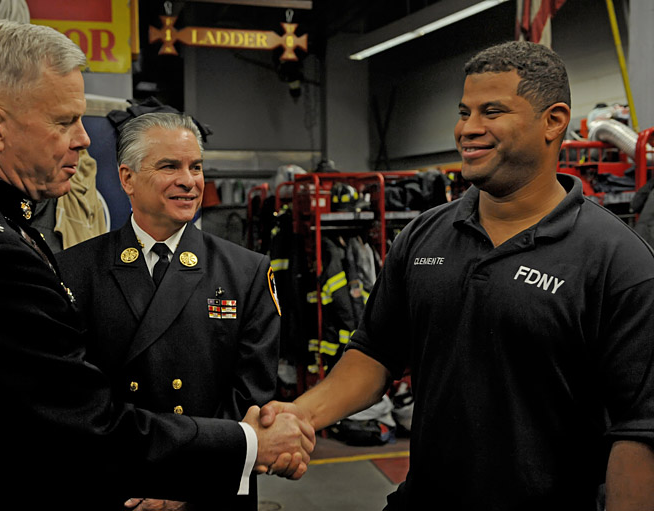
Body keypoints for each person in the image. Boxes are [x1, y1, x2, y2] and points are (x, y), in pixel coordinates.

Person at [0, 19, 313, 511]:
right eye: (64, 120)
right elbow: (84, 428)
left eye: (196, 166)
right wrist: (253, 444)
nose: (85, 140)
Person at [262, 41, 654, 510]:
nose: (468, 129)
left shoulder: (618, 261)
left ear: (553, 121)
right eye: (464, 111)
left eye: (491, 111)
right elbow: (375, 354)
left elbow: (639, 431)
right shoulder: (423, 236)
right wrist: (299, 414)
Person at [56, 112, 282, 511]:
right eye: (169, 166)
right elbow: (74, 401)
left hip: (210, 490)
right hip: (116, 489)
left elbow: (251, 399)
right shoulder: (74, 270)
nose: (189, 181)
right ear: (127, 178)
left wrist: (185, 485)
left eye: (195, 167)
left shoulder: (246, 271)